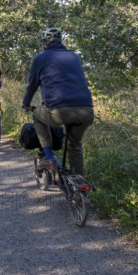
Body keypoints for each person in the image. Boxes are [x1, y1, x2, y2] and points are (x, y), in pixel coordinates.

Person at [22, 27, 94, 175]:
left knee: (37, 115)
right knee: (74, 145)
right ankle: (79, 183)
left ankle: (48, 158)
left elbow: (31, 86)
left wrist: (26, 104)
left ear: (43, 42)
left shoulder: (40, 58)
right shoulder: (74, 56)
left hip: (58, 111)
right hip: (86, 111)